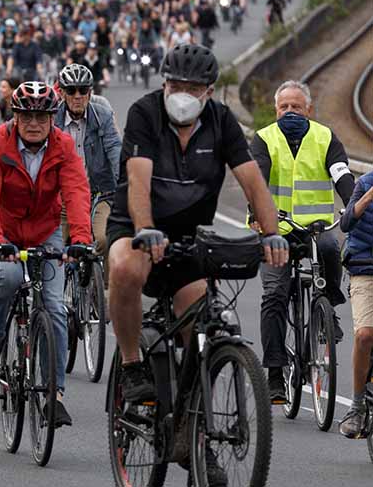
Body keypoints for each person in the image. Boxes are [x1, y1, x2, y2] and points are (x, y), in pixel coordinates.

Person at [104, 44, 288, 482]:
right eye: (174, 85)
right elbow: (138, 179)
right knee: (125, 270)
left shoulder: (222, 121)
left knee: (206, 329)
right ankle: (132, 366)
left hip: (191, 240)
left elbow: (252, 181)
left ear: (209, 91)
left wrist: (272, 233)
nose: (181, 94)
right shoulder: (146, 114)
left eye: (191, 87)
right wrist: (145, 230)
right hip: (138, 228)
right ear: (164, 84)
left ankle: (194, 438)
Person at [0, 81, 92, 427]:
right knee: (7, 280)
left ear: (53, 117)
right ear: (16, 115)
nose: (35, 123)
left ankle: (54, 395)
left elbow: (77, 192)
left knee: (54, 308)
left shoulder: (64, 146)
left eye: (42, 116)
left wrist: (80, 239)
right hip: (5, 231)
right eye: (27, 116)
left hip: (46, 230)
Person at [250, 80, 354, 403]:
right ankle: (276, 375)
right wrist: (258, 213)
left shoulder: (324, 137)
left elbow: (341, 174)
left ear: (309, 109)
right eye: (284, 107)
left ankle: (329, 305)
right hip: (275, 230)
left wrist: (353, 205)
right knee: (275, 294)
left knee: (329, 249)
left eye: (297, 107)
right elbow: (257, 179)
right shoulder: (264, 139)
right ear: (276, 110)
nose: (290, 112)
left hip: (315, 228)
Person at [53, 64, 121, 265]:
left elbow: (116, 151)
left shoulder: (103, 116)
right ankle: (62, 291)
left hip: (100, 192)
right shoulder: (51, 120)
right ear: (63, 93)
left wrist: (125, 185)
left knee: (104, 239)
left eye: (83, 90)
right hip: (63, 196)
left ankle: (105, 293)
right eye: (71, 90)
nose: (77, 96)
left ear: (90, 93)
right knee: (57, 248)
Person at [339, 170, 373, 438]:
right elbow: (346, 223)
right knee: (364, 335)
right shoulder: (364, 183)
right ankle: (357, 405)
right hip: (365, 268)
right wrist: (369, 197)